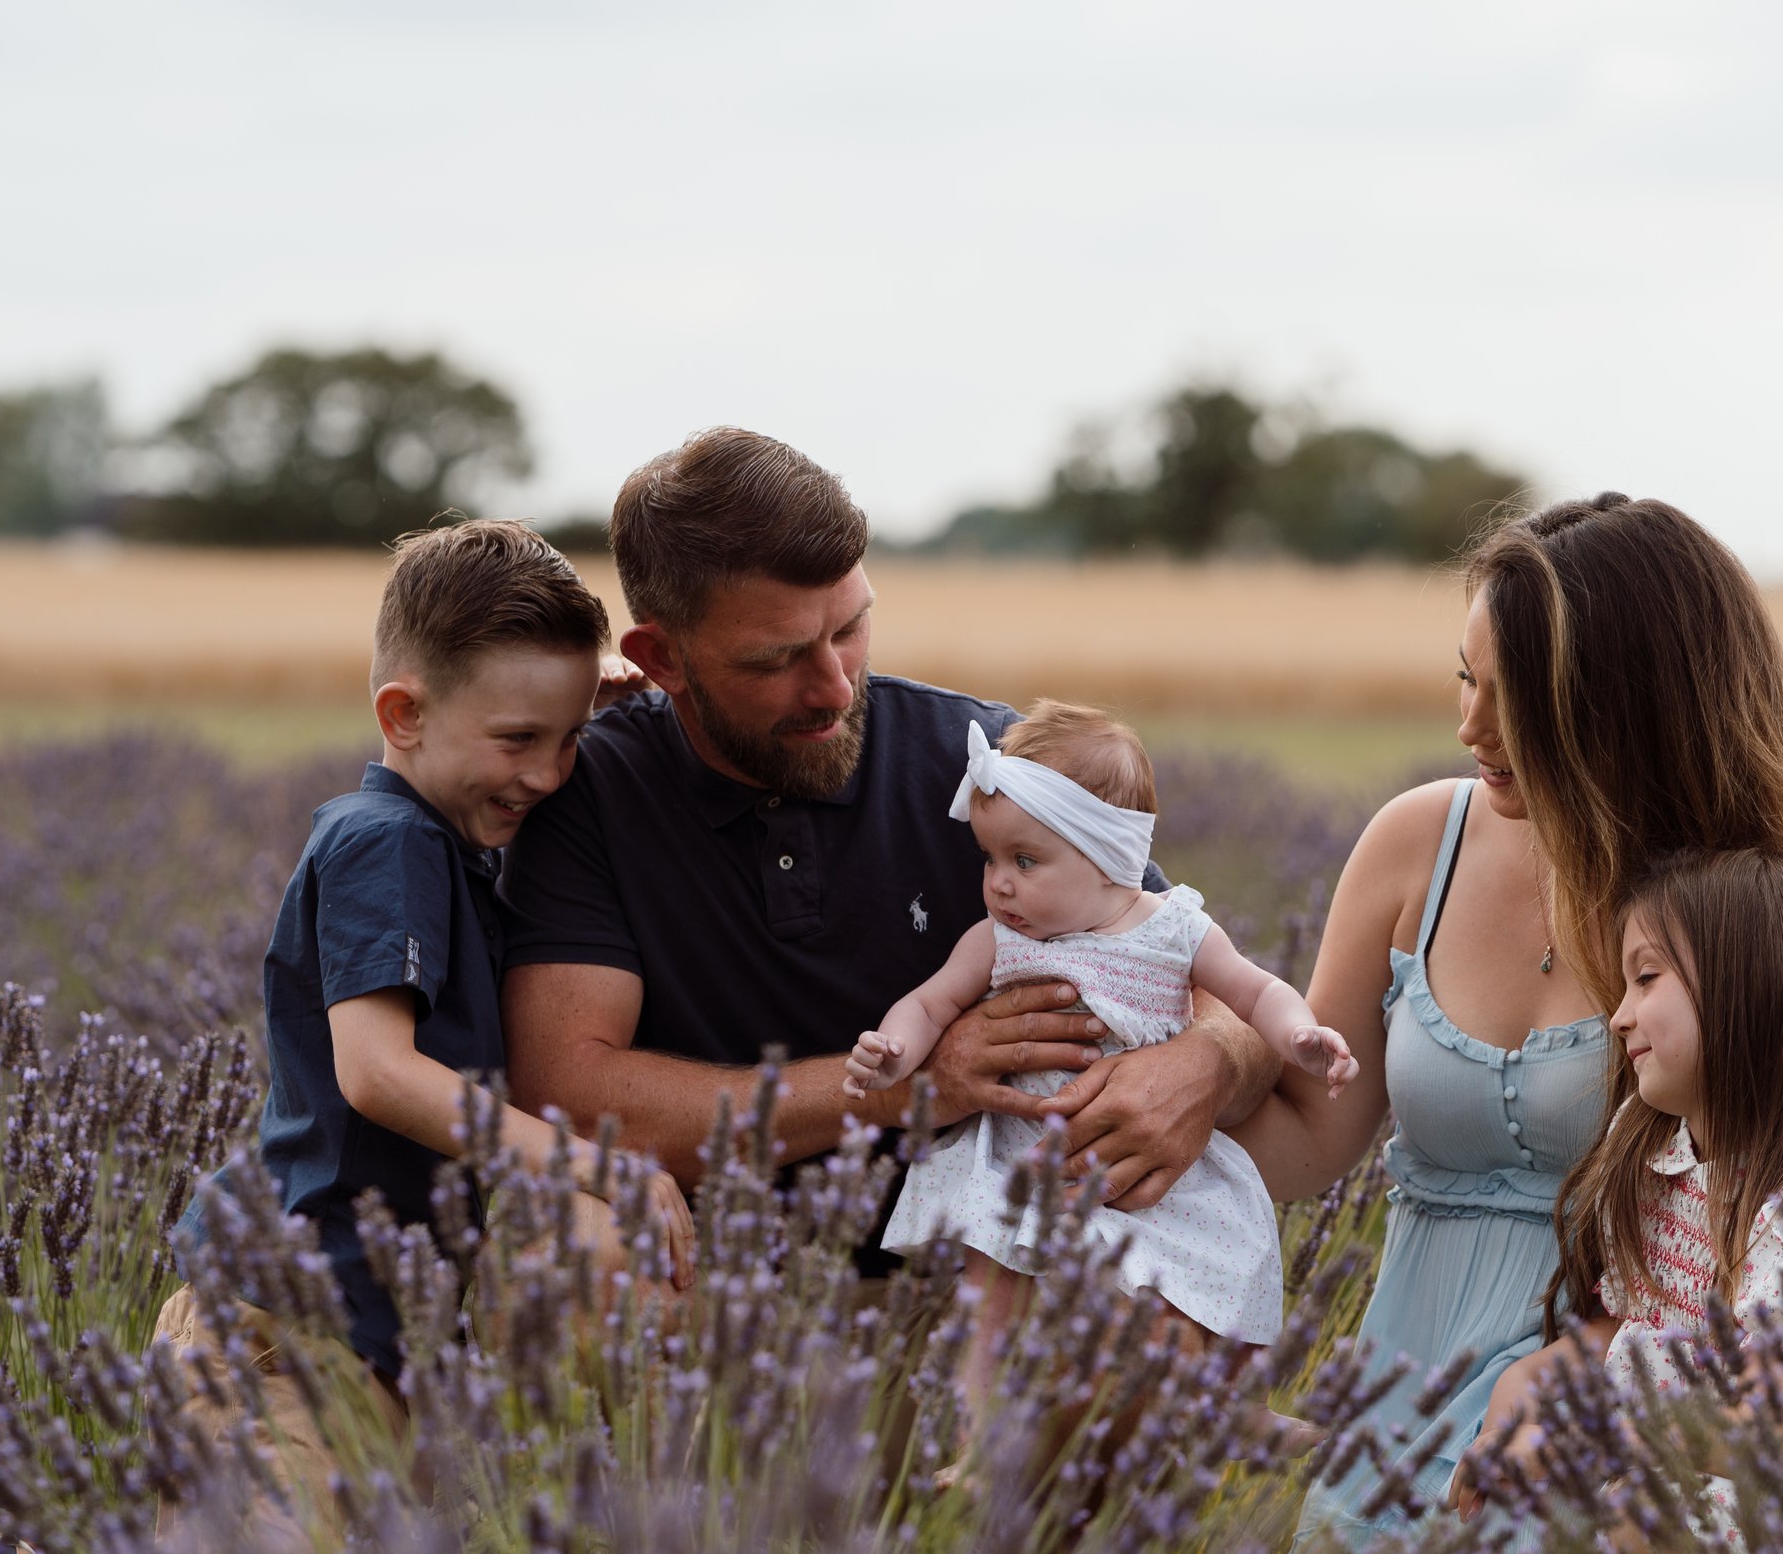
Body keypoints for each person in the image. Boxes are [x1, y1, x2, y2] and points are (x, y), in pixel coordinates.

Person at [1226, 493, 1783, 1546]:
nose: (1469, 726)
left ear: (1616, 704)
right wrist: (1148, 1110)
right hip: (1401, 1385)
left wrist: (1592, 1380)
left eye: (1515, 697)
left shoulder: (1739, 922)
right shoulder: (1417, 844)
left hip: (1602, 1437)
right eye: (1464, 677)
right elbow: (1311, 1120)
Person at [497, 430, 1284, 1283]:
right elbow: (570, 1092)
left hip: (980, 1283)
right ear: (661, 658)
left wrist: (1206, 1061)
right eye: (777, 658)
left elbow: (1209, 971)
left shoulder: (989, 767)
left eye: (851, 627)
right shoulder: (592, 790)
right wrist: (908, 1086)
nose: (835, 685)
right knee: (569, 1261)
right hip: (709, 1296)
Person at [156, 521, 697, 1542]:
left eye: (569, 737)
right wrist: (595, 1165)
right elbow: (377, 1073)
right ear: (402, 714)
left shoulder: (443, 841)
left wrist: (596, 706)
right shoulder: (387, 844)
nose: (548, 772)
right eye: (517, 738)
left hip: (364, 1336)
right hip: (277, 1330)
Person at [845, 703, 1355, 1404]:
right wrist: (894, 1051)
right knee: (988, 1293)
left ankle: (1232, 1408)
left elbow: (1255, 990)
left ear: (1109, 856)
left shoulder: (1178, 927)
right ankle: (973, 1429)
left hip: (1149, 1167)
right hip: (1022, 1161)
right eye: (990, 858)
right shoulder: (999, 940)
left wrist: (1300, 1034)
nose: (998, 882)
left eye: (1024, 859)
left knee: (1206, 1279)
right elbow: (931, 1003)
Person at [1452, 849, 1783, 1552]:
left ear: (1750, 987)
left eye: (1646, 978)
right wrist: (1523, 1394)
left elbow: (1773, 1421)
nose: (1618, 1017)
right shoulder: (1661, 1156)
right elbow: (1621, 1332)